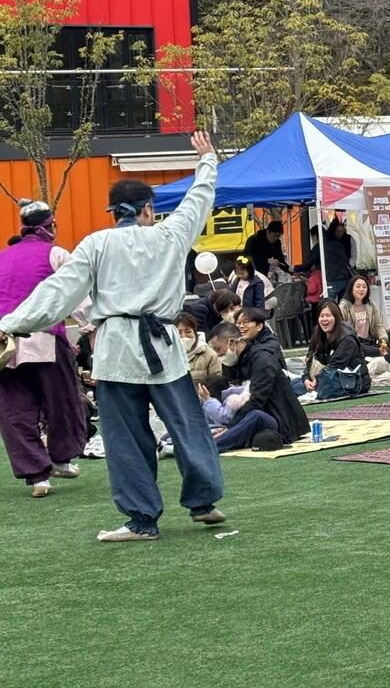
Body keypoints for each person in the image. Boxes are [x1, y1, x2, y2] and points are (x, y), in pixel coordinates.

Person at [0, 131, 223, 542]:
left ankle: (142, 520)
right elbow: (199, 198)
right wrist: (207, 161)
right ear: (148, 209)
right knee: (188, 425)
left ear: (114, 212)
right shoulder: (170, 234)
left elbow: (59, 292)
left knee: (126, 438)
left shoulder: (96, 243)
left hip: (117, 349)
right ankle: (203, 502)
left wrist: (10, 323)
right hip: (163, 346)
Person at [0, 199, 89, 498]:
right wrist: (91, 326)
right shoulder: (56, 254)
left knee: (15, 409)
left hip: (4, 343)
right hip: (44, 338)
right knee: (62, 401)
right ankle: (61, 459)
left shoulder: (2, 257)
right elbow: (76, 293)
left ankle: (37, 475)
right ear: (50, 225)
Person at [211, 308, 309, 452]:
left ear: (232, 343)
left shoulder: (262, 359)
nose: (218, 355)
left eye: (219, 349)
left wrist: (231, 427)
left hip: (279, 420)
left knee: (255, 416)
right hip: (252, 417)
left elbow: (256, 401)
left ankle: (212, 446)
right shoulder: (235, 362)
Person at [303, 301, 369, 400]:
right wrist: (306, 379)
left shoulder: (347, 339)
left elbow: (335, 365)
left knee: (321, 391)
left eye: (328, 315)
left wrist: (318, 379)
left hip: (352, 380)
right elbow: (310, 358)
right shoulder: (318, 333)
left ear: (336, 317)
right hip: (325, 376)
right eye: (322, 316)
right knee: (293, 387)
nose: (324, 319)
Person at [339, 274, 387, 352]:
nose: (361, 289)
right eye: (358, 286)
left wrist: (383, 339)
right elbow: (341, 329)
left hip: (369, 343)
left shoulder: (371, 304)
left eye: (364, 287)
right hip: (352, 345)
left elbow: (378, 325)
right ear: (351, 288)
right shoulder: (344, 306)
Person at [175, 312, 223, 390]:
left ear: (195, 332)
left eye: (188, 332)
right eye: (179, 333)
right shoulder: (170, 355)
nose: (183, 336)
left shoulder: (209, 354)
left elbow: (216, 382)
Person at [319, 219, 354, 302]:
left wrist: (349, 265)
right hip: (339, 276)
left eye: (341, 231)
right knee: (342, 302)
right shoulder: (331, 242)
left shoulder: (348, 239)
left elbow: (353, 255)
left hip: (339, 276)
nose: (339, 234)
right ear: (333, 232)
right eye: (337, 231)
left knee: (331, 302)